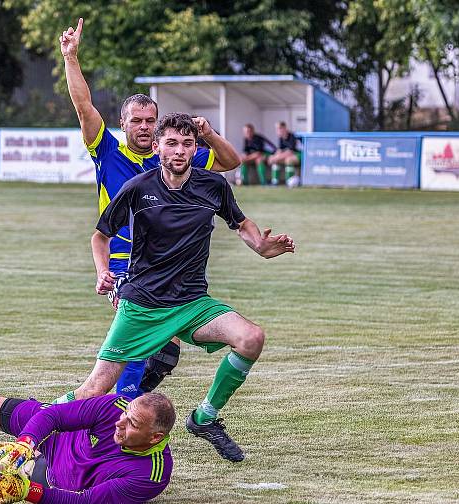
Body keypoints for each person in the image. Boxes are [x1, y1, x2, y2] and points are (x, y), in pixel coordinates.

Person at [60, 113, 294, 463]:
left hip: (192, 303)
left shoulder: (212, 186)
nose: (180, 151)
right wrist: (102, 271)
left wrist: (260, 245)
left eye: (187, 144)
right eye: (171, 143)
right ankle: (40, 417)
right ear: (156, 148)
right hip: (144, 304)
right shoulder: (139, 188)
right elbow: (101, 235)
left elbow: (240, 222)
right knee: (95, 388)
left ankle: (205, 418)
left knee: (251, 338)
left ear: (195, 148)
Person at [60, 18, 241, 401]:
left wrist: (208, 133)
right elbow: (82, 105)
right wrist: (71, 58)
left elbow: (229, 162)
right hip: (127, 265)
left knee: (166, 352)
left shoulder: (175, 156)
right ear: (122, 123)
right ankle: (116, 410)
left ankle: (118, 407)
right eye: (136, 121)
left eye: (149, 121)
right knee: (139, 348)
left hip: (166, 265)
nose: (143, 127)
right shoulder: (108, 151)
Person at [0, 345, 176, 504]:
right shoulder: (116, 407)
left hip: (63, 485)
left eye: (132, 424)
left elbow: (84, 502)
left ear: (154, 438)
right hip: (58, 439)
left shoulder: (151, 476)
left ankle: (31, 469)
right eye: (126, 416)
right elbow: (54, 416)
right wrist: (26, 442)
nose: (120, 423)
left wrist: (25, 492)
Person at [267, 121, 301, 186]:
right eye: (276, 129)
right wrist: (273, 157)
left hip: (300, 155)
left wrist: (276, 158)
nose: (277, 130)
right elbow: (280, 150)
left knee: (288, 160)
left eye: (279, 128)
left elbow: (290, 152)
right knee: (275, 160)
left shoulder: (292, 136)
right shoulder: (281, 138)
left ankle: (289, 182)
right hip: (290, 155)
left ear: (284, 128)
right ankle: (275, 182)